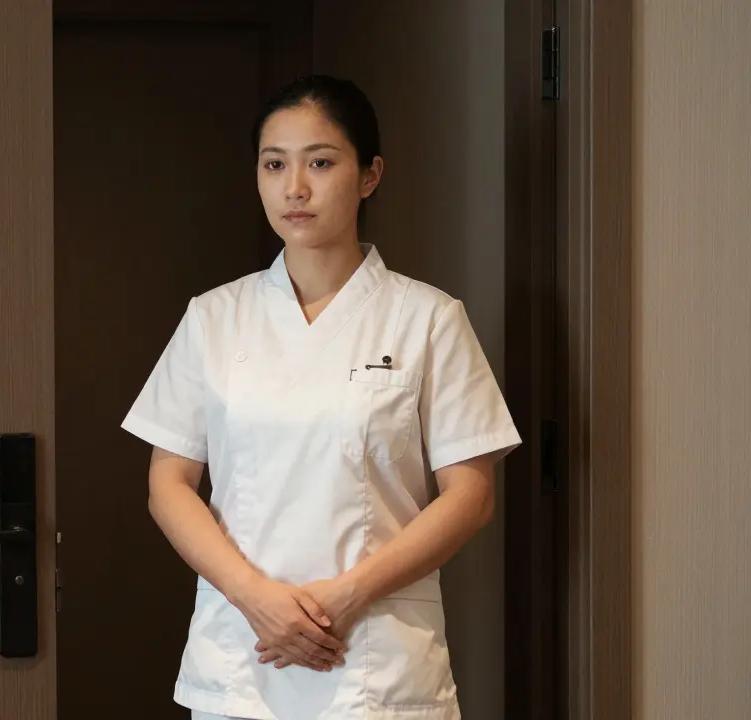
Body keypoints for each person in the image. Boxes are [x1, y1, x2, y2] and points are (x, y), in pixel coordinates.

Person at [120, 74, 522, 720]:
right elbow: (168, 483)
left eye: (321, 163)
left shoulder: (427, 319)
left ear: (369, 175)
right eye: (274, 164)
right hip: (245, 659)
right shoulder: (214, 318)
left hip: (376, 665)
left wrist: (347, 595)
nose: (294, 188)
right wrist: (255, 598)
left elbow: (471, 497)